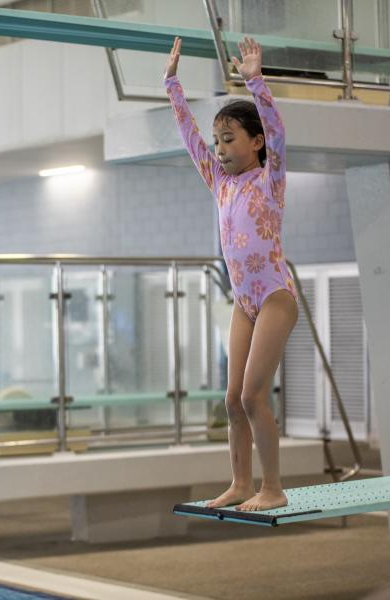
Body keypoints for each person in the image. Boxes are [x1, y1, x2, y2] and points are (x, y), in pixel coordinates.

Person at [164, 36, 298, 511]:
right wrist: (172, 85)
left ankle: (273, 488)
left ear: (256, 142)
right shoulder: (219, 182)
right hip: (244, 302)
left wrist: (257, 81)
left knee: (253, 393)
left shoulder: (269, 179)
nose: (218, 149)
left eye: (229, 139)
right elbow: (189, 136)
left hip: (276, 297)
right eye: (218, 141)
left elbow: (280, 132)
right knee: (231, 400)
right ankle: (241, 484)